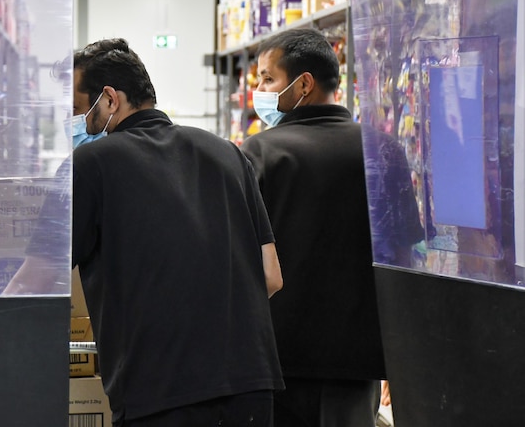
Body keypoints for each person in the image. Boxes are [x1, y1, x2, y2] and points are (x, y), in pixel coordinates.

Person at [70, 38, 284, 426]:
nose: (75, 122)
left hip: (159, 391)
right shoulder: (228, 153)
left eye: (77, 110)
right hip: (250, 382)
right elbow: (270, 276)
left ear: (109, 99)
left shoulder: (91, 163)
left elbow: (39, 278)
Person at [240, 28, 420, 427]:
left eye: (268, 78)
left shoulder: (261, 152)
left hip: (279, 360)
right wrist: (398, 356)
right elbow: (402, 263)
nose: (261, 90)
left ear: (304, 83)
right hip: (357, 364)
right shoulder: (383, 150)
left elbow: (240, 261)